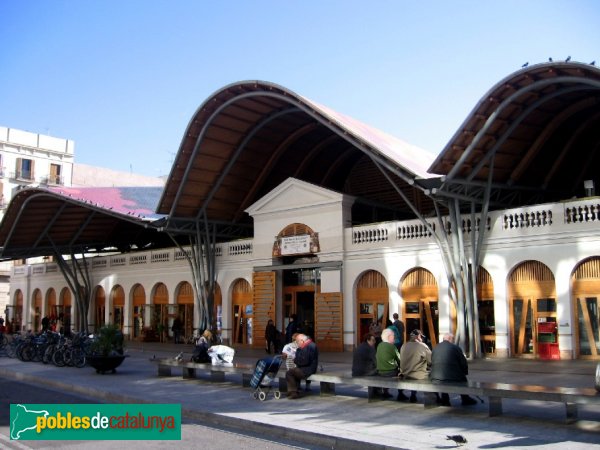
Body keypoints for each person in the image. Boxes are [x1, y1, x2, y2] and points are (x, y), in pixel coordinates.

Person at [430, 332, 478, 406]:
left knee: (443, 378)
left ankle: (445, 399)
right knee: (462, 379)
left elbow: (431, 361)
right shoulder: (455, 348)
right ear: (450, 339)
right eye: (453, 339)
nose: (453, 341)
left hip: (435, 376)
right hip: (452, 376)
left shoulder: (435, 347)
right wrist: (464, 372)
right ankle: (465, 398)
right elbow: (463, 363)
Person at [376, 328, 409, 401]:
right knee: (402, 373)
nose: (394, 337)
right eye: (393, 336)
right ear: (389, 337)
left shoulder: (379, 345)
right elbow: (400, 360)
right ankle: (400, 394)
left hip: (380, 372)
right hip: (390, 372)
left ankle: (385, 392)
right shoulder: (392, 347)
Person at [400, 329, 432, 403]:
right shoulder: (422, 346)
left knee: (415, 368)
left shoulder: (404, 346)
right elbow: (431, 361)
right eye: (421, 337)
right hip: (418, 375)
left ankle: (412, 394)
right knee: (433, 375)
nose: (422, 339)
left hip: (405, 374)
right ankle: (434, 398)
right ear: (418, 337)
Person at [285, 333, 318, 399]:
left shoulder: (310, 346)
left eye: (297, 342)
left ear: (302, 341)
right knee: (294, 371)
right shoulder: (307, 346)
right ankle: (295, 390)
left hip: (308, 370)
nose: (297, 344)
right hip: (306, 368)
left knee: (289, 373)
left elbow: (305, 361)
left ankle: (293, 392)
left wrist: (296, 360)